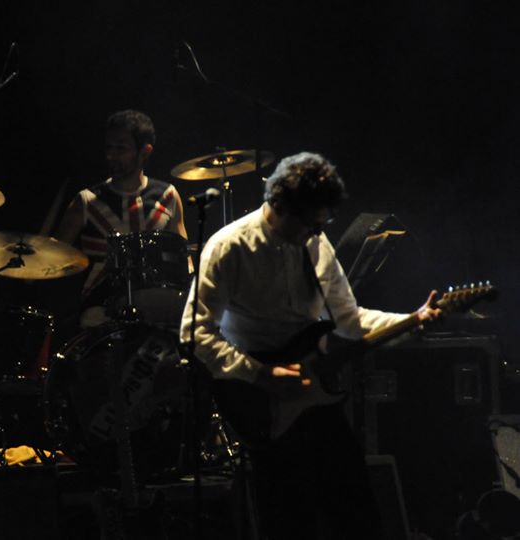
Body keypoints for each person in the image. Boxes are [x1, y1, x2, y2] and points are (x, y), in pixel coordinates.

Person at [179, 152, 441, 539]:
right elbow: (194, 333)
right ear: (281, 207)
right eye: (311, 223)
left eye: (322, 223)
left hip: (314, 393)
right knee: (287, 520)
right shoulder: (228, 247)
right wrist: (261, 374)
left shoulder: (315, 243)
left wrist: (412, 320)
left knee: (357, 512)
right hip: (259, 402)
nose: (317, 232)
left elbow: (349, 320)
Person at [55, 109, 188, 329]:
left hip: (157, 306)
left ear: (145, 152)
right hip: (100, 308)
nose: (111, 155)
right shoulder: (86, 201)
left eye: (121, 148)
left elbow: (182, 256)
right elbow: (54, 258)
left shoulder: (168, 196)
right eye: (108, 147)